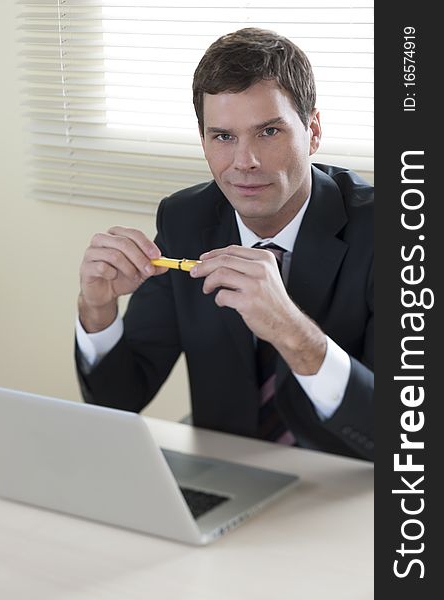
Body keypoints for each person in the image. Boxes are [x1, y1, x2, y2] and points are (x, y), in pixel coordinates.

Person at [75, 28, 373, 461]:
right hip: (226, 476)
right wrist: (97, 310)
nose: (244, 162)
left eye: (268, 132)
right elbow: (119, 399)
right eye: (223, 137)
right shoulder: (184, 220)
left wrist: (292, 332)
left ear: (312, 131)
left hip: (355, 486)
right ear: (203, 140)